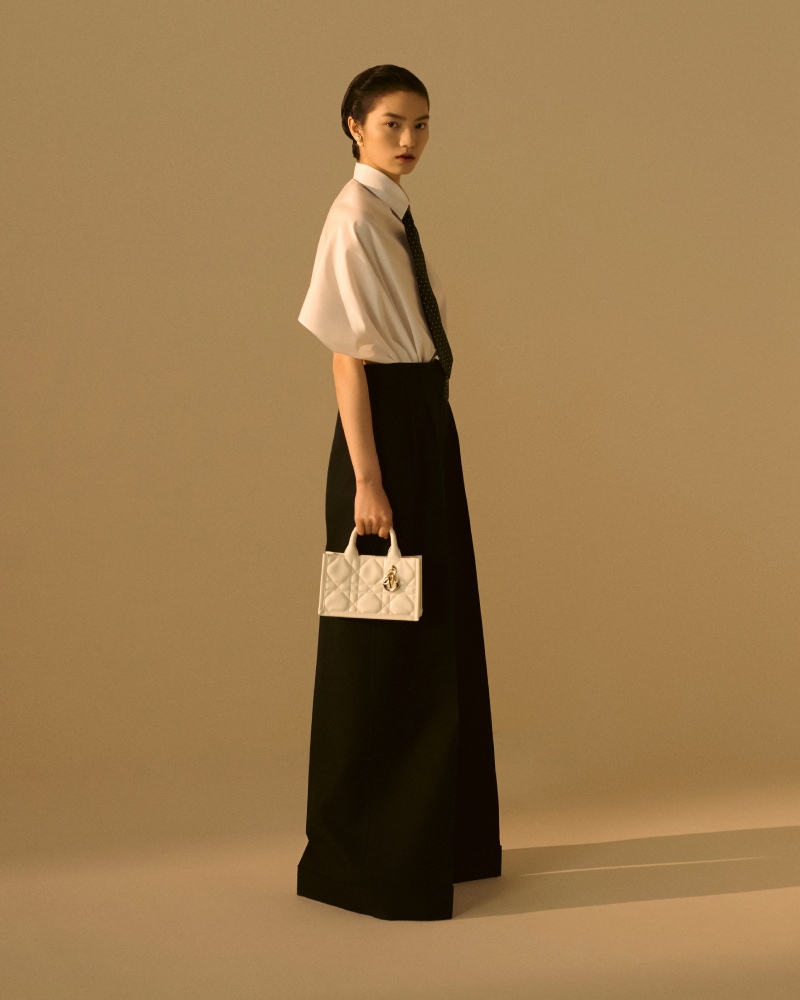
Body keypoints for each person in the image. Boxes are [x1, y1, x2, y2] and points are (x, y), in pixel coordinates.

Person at [296, 64, 501, 921]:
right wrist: (369, 479)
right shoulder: (352, 218)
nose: (409, 139)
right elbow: (348, 359)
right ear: (354, 126)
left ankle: (443, 842)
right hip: (381, 437)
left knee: (437, 630)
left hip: (421, 423)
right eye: (392, 124)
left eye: (421, 124)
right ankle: (368, 863)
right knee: (383, 647)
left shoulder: (392, 214)